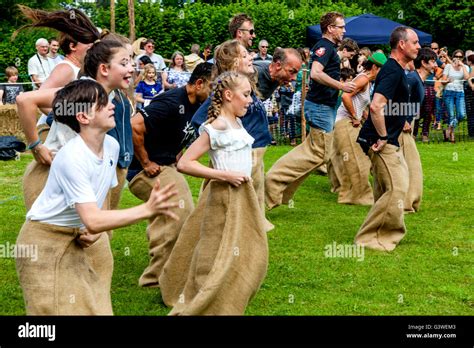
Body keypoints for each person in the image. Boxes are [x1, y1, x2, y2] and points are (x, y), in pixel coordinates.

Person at [15, 79, 178, 315]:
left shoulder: (110, 145)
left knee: (93, 308)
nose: (111, 106)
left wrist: (95, 230)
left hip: (76, 238)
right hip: (43, 244)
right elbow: (92, 218)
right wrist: (147, 209)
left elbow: (97, 202)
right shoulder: (71, 157)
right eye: (102, 104)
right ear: (83, 117)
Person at [168, 71, 269, 315]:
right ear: (227, 95)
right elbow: (185, 163)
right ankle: (203, 299)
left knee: (245, 247)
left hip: (242, 194)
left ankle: (227, 296)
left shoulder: (237, 121)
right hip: (225, 194)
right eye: (245, 94)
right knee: (214, 249)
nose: (249, 100)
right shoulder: (218, 126)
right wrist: (225, 176)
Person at [127, 62, 212, 288]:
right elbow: (134, 125)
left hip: (166, 165)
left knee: (170, 211)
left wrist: (177, 152)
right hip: (143, 170)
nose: (215, 94)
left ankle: (172, 267)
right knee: (179, 208)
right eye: (213, 88)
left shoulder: (199, 106)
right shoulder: (172, 102)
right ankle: (155, 278)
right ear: (199, 83)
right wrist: (146, 162)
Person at [264, 12, 356, 210]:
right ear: (330, 28)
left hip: (326, 107)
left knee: (318, 153)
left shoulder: (330, 48)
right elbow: (315, 73)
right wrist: (341, 86)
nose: (344, 30)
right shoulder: (324, 46)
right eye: (341, 26)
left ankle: (278, 193)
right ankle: (273, 181)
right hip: (320, 107)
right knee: (318, 153)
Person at [355, 26, 421, 251]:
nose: (419, 47)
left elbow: (388, 105)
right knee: (398, 187)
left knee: (385, 187)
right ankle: (372, 237)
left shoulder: (396, 69)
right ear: (401, 44)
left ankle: (380, 231)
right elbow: (376, 106)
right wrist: (383, 136)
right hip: (381, 140)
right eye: (415, 42)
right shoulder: (393, 70)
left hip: (386, 138)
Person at [330, 52, 387, 206]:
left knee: (347, 157)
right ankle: (357, 196)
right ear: (374, 67)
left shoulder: (366, 80)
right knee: (358, 159)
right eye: (382, 70)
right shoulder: (363, 79)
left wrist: (365, 118)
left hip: (349, 121)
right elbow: (345, 97)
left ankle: (345, 190)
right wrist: (355, 116)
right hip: (345, 122)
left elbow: (360, 104)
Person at [401, 47, 437, 213]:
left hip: (408, 125)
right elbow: (395, 97)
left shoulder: (418, 80)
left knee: (407, 165)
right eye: (432, 61)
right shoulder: (412, 79)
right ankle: (406, 203)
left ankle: (406, 202)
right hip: (401, 128)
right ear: (423, 62)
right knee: (411, 165)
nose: (435, 64)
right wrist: (402, 120)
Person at [441, 49, 469, 142]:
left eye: (460, 57)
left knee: (461, 115)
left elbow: (466, 78)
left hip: (460, 92)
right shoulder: (448, 66)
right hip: (448, 91)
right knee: (451, 115)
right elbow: (443, 80)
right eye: (456, 56)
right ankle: (452, 136)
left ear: (462, 58)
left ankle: (448, 129)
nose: (458, 58)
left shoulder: (465, 67)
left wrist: (462, 66)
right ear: (453, 57)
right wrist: (447, 81)